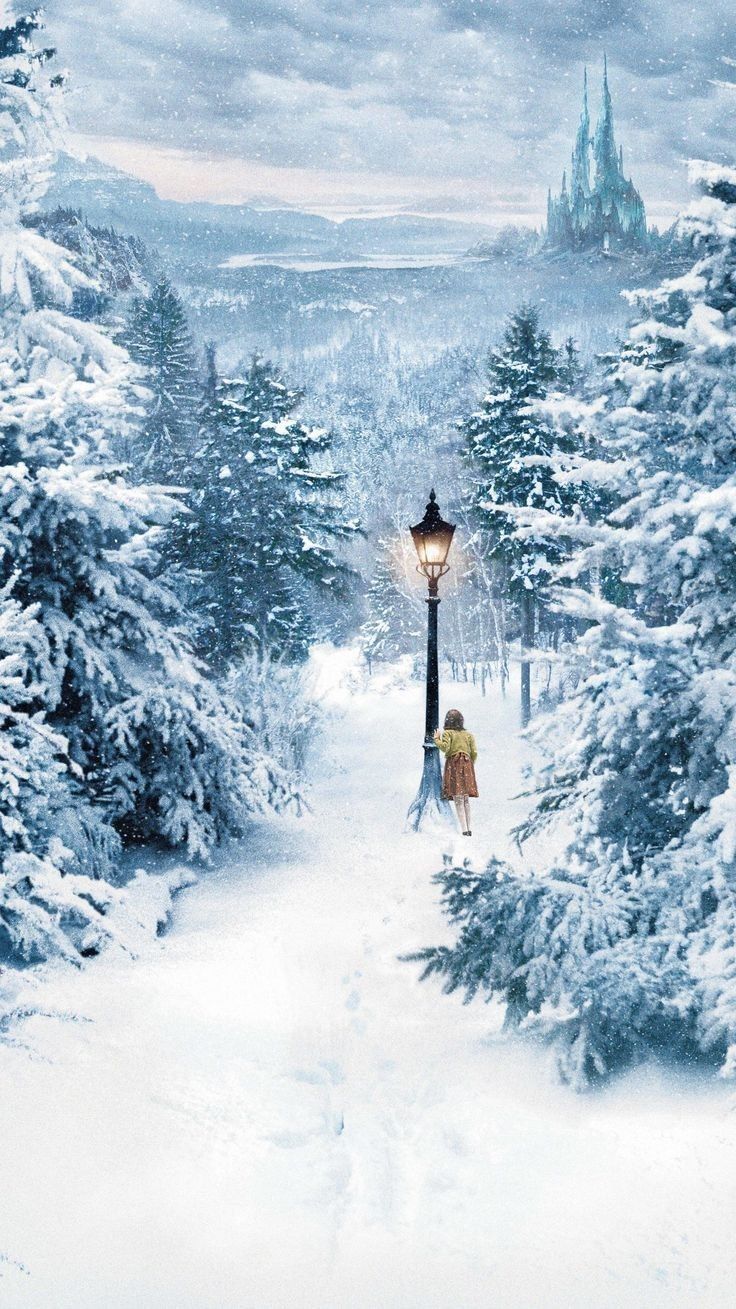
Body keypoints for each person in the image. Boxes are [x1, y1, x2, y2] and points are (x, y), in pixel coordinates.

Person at [434, 709, 478, 836]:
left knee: (458, 798)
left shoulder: (447, 733)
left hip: (454, 765)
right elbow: (474, 752)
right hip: (467, 764)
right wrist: (469, 764)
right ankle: (469, 828)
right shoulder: (468, 735)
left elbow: (445, 748)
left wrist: (437, 739)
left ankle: (464, 830)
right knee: (465, 799)